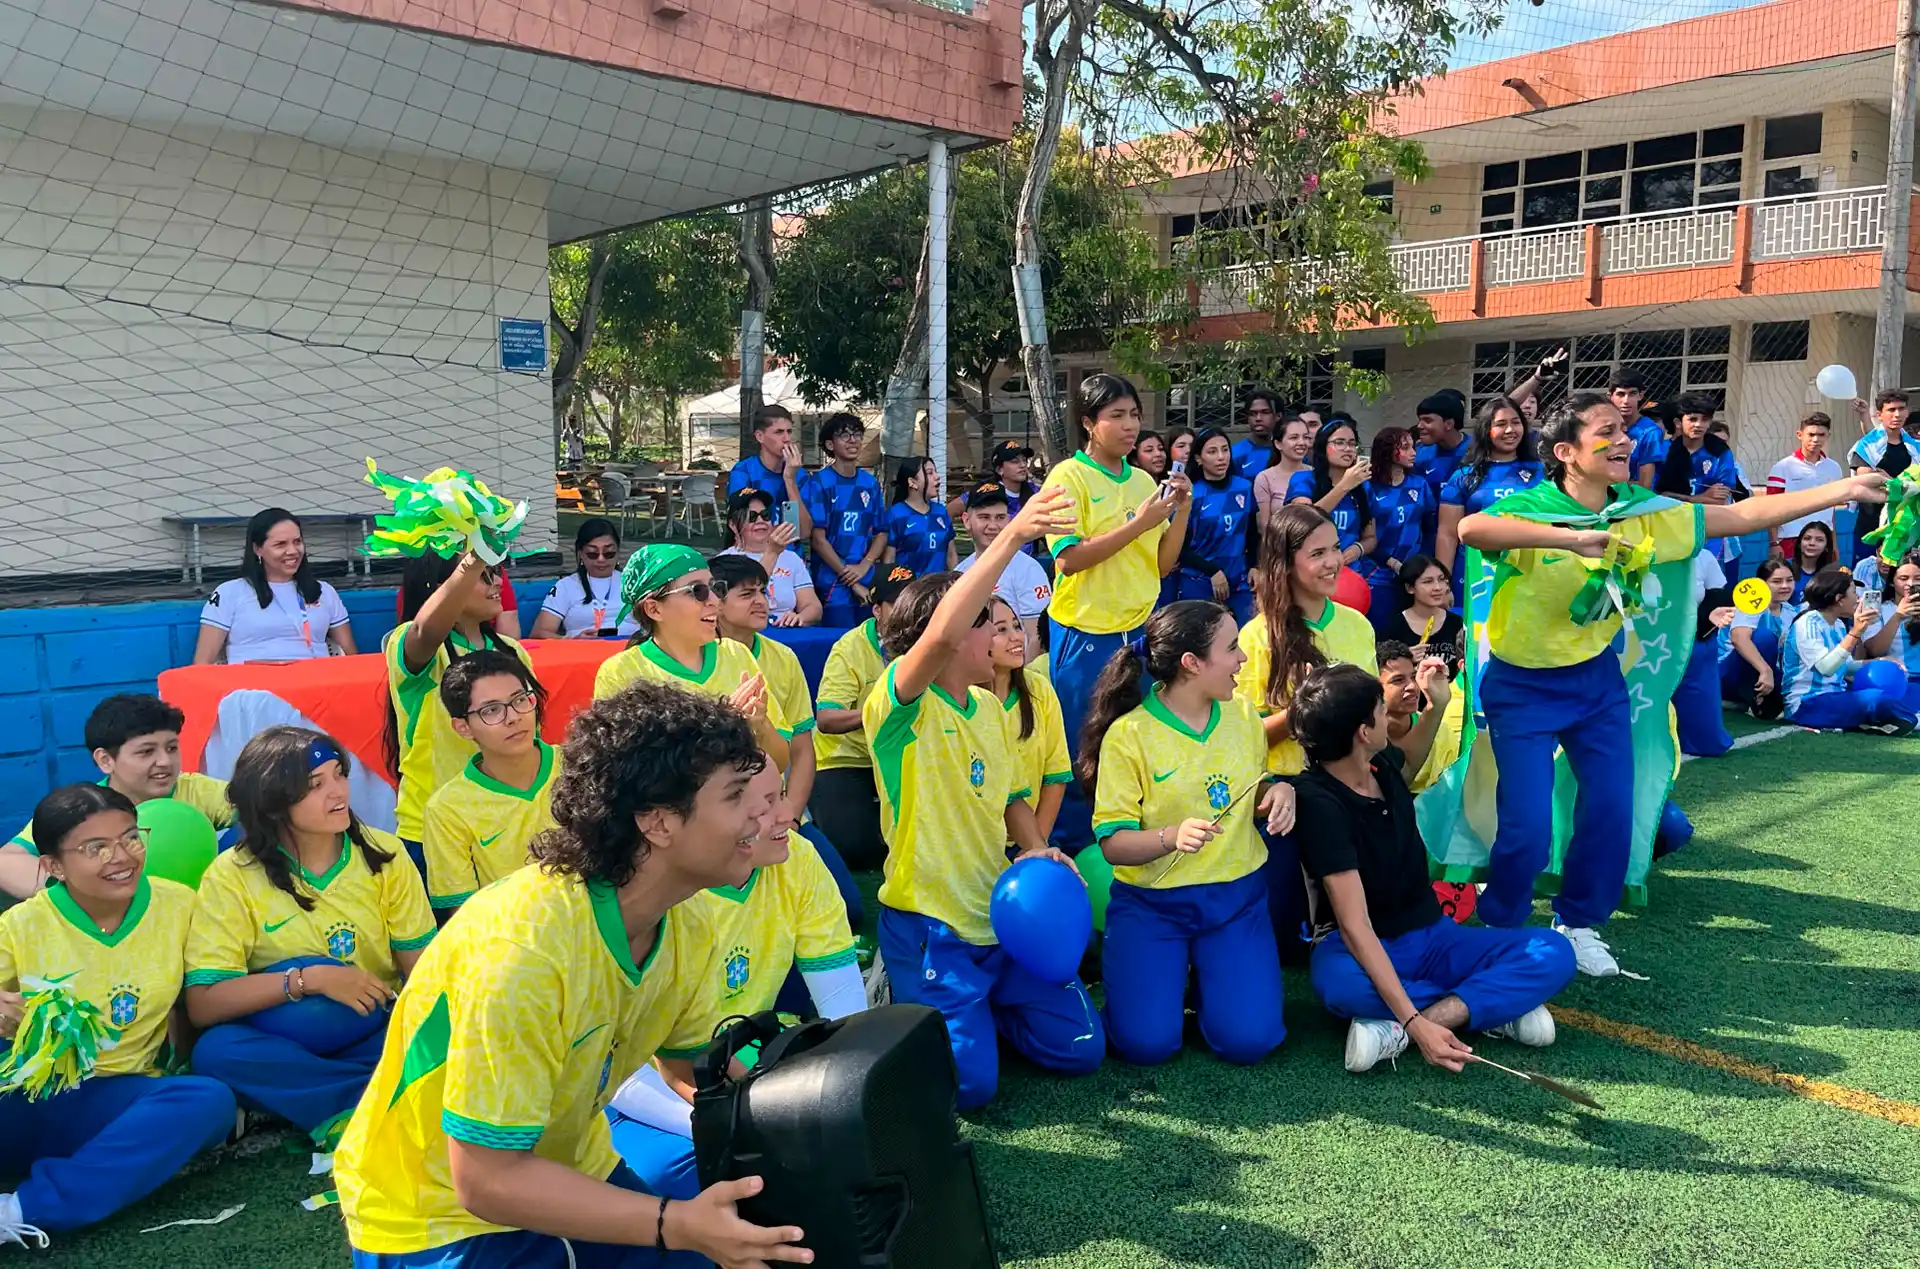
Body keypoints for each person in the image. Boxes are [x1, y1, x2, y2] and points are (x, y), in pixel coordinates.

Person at [334, 685, 811, 1268]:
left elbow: (695, 1064)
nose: (769, 814)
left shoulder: (691, 919)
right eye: (739, 796)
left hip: (570, 1163)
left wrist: (811, 1108)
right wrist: (675, 1222)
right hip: (435, 1218)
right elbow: (484, 1179)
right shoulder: (524, 949)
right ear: (658, 822)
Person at [1456, 393, 1882, 976]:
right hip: (1521, 686)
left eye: (1624, 430)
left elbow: (1740, 516)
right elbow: (1473, 529)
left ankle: (1578, 922)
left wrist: (1842, 490)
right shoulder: (1530, 505)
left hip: (1596, 682)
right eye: (1607, 432)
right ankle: (1502, 923)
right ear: (1566, 452)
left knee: (1611, 808)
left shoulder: (1640, 507)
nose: (1626, 441)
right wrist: (1573, 538)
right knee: (1526, 825)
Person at [866, 487, 1106, 1109]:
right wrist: (1014, 535)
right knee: (970, 1090)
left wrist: (1037, 851)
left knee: (1081, 1049)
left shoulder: (992, 710)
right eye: (990, 625)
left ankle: (973, 1015)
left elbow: (1011, 799)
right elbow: (943, 633)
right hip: (932, 924)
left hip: (998, 919)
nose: (1008, 635)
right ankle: (913, 996)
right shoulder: (898, 708)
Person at [1289, 664, 1576, 1074]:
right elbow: (1356, 927)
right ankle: (1492, 1005)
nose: (1388, 716)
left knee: (1555, 952)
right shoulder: (1319, 803)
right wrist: (1413, 1020)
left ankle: (1405, 1029)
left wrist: (1436, 704)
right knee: (1339, 988)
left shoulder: (1379, 763)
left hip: (1433, 936)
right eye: (1379, 711)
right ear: (1362, 732)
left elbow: (1412, 757)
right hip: (1356, 947)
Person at [606, 756, 862, 1204]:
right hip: (632, 1084)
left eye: (781, 795)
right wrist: (731, 1122)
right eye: (764, 805)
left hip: (733, 1057)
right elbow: (626, 1067)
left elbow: (847, 1015)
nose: (788, 814)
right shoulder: (645, 900)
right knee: (687, 1175)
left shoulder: (797, 859)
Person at [0, 785, 236, 1246]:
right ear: (53, 866)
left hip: (118, 1099)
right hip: (28, 1099)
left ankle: (21, 1211)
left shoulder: (180, 905)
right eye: (95, 848)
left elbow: (223, 979)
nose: (121, 857)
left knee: (206, 1101)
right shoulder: (21, 926)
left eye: (131, 837)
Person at [186, 727, 435, 1147]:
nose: (338, 792)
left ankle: (328, 1096)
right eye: (315, 785)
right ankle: (358, 1104)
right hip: (281, 1040)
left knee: (431, 1038)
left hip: (375, 1030)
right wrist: (309, 980)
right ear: (273, 801)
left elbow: (424, 973)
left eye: (339, 774)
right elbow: (204, 1004)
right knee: (218, 1053)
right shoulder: (231, 875)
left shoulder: (384, 855)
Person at [1082, 601, 1291, 1068]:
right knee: (1144, 1047)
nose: (1243, 659)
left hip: (1236, 901)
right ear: (1192, 663)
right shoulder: (1128, 735)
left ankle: (1209, 982)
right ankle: (1179, 980)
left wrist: (1278, 793)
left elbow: (1252, 792)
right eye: (1232, 648)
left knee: (1250, 1042)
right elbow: (1113, 844)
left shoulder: (1242, 717)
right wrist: (1170, 836)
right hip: (1153, 907)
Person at [1039, 373, 1191, 850]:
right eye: (1116, 416)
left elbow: (1161, 564)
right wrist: (1142, 522)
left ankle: (1129, 836)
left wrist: (1180, 511)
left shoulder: (1144, 480)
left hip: (1140, 633)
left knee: (1134, 736)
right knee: (1079, 742)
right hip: (1086, 634)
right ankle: (1069, 847)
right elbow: (1068, 558)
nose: (1131, 426)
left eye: (1135, 414)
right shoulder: (1069, 477)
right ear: (1089, 424)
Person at [1237, 504, 1379, 956]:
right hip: (1283, 789)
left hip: (1353, 783)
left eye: (1335, 548)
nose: (1334, 562)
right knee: (1289, 941)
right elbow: (1243, 740)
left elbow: (1375, 726)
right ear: (1285, 563)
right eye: (1317, 553)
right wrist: (1303, 707)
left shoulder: (1357, 625)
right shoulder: (1256, 637)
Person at [1, 694, 234, 902]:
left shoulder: (196, 790)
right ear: (105, 760)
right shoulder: (80, 808)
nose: (165, 761)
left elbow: (263, 807)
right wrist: (78, 890)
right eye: (146, 751)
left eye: (172, 748)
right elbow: (7, 860)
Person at [385, 553, 531, 871]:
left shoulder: (512, 650)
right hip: (432, 830)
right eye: (482, 574)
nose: (497, 583)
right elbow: (426, 631)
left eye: (495, 572)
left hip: (506, 820)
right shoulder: (416, 644)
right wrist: (472, 559)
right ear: (444, 588)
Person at [592, 544, 790, 770]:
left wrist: (759, 726)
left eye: (715, 588)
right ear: (654, 609)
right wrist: (725, 728)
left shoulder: (737, 655)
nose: (714, 601)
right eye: (697, 591)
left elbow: (780, 762)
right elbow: (627, 772)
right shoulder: (620, 672)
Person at [420, 651, 559, 915]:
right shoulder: (448, 810)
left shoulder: (581, 765)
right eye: (492, 710)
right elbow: (463, 918)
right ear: (463, 728)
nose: (513, 717)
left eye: (520, 700)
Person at [807, 567, 913, 872]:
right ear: (877, 610)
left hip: (906, 756)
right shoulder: (850, 647)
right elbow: (827, 719)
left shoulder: (928, 642)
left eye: (913, 601)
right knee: (854, 851)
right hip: (847, 758)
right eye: (898, 604)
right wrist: (881, 711)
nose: (908, 611)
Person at [709, 554, 818, 812]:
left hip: (776, 803)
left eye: (762, 592)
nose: (760, 602)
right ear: (717, 603)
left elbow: (802, 751)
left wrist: (791, 815)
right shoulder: (696, 656)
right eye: (747, 594)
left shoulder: (784, 657)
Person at [193, 507, 356, 664]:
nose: (293, 551)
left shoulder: (324, 592)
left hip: (317, 683)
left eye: (297, 542)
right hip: (254, 687)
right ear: (258, 549)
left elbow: (351, 658)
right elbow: (202, 663)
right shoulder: (229, 592)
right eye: (280, 544)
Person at [1780, 565, 1917, 733]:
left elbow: (1846, 666)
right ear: (1839, 599)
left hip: (1835, 695)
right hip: (1807, 703)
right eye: (1854, 593)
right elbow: (1826, 668)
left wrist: (1878, 661)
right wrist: (1856, 632)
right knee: (1876, 699)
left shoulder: (1837, 624)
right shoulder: (1807, 623)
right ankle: (1904, 721)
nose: (1859, 599)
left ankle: (1882, 722)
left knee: (1878, 695)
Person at [1435, 397, 1545, 596]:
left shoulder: (1541, 473)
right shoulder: (1464, 476)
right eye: (1501, 424)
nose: (1511, 430)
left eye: (1516, 422)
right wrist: (1443, 583)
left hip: (1531, 571)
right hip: (1477, 574)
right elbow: (1447, 534)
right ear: (1486, 429)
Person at [988, 598, 1072, 845]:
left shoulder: (1039, 689)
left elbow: (1055, 776)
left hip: (1028, 839)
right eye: (1001, 630)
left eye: (1016, 626)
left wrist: (1035, 845)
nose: (1016, 637)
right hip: (974, 845)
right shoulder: (963, 698)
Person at [806, 412, 887, 625]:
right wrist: (849, 577)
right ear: (830, 445)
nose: (853, 440)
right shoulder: (819, 483)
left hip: (866, 575)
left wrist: (864, 566)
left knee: (871, 644)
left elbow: (882, 532)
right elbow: (817, 540)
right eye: (845, 435)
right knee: (839, 644)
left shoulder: (870, 484)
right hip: (833, 581)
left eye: (857, 434)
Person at [956, 484, 1051, 660]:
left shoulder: (1028, 569)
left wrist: (1020, 681)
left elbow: (1035, 637)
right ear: (966, 520)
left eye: (999, 517)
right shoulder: (959, 573)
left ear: (1009, 520)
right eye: (984, 517)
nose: (993, 526)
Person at [1658, 393, 1750, 568]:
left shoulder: (1721, 452)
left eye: (1705, 419)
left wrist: (1675, 496)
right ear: (1678, 422)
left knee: (1709, 587)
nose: (1699, 425)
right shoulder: (1663, 452)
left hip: (1708, 529)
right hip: (1669, 527)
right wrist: (1699, 498)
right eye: (1692, 419)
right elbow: (1656, 496)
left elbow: (1719, 499)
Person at [1175, 427, 1257, 623]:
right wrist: (1212, 571)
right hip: (1199, 580)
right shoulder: (1190, 494)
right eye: (1212, 452)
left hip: (1239, 580)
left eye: (1225, 449)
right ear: (1198, 458)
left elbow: (1253, 532)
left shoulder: (1244, 487)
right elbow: (1179, 547)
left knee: (1246, 639)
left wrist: (1256, 566)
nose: (1221, 457)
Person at [713, 489, 819, 628]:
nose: (760, 521)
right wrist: (772, 552)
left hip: (786, 631)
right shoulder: (724, 561)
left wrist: (800, 617)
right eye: (751, 517)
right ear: (733, 525)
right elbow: (750, 590)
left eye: (765, 515)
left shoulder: (791, 558)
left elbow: (813, 606)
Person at [1286, 417, 1377, 575]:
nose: (1347, 448)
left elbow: (1370, 537)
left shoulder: (1363, 486)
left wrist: (1358, 549)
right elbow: (1303, 519)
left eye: (1351, 443)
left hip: (1351, 572)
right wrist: (1344, 485)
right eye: (1339, 442)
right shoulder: (1303, 479)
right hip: (1311, 572)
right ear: (1322, 446)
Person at [1361, 426, 1432, 622]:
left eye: (1413, 447)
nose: (1414, 453)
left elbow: (1430, 527)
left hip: (1413, 574)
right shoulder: (1367, 487)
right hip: (1377, 574)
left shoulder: (1420, 484)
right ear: (1387, 451)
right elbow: (1363, 534)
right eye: (1406, 447)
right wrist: (1390, 562)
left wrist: (1423, 564)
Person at [1674, 549, 1736, 758]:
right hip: (1642, 642)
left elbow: (1718, 596)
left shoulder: (1703, 556)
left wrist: (1705, 619)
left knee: (1708, 742)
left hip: (1693, 639)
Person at [530, 518, 634, 640]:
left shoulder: (634, 583)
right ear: (581, 555)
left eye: (609, 553)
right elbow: (539, 633)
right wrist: (573, 641)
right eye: (592, 554)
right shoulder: (566, 586)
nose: (601, 559)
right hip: (581, 652)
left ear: (618, 553)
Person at [1373, 640, 1456, 791]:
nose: (1412, 686)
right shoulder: (1364, 739)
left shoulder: (1441, 734)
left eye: (1413, 677)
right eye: (1398, 680)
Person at [1720, 556, 1797, 717]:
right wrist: (1766, 670)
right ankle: (1753, 699)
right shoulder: (1751, 602)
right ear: (1762, 584)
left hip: (1761, 674)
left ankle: (1747, 701)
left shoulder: (1791, 612)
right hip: (1725, 673)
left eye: (1789, 580)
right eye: (1776, 581)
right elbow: (1738, 638)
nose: (1785, 586)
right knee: (1764, 638)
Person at [726, 402, 814, 536]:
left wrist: (789, 480)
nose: (787, 439)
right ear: (759, 436)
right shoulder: (744, 472)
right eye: (779, 432)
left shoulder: (799, 474)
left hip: (790, 553)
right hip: (756, 553)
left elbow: (804, 532)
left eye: (789, 432)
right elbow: (742, 527)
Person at [1848, 391, 1917, 563]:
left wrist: (1886, 477)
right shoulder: (1867, 446)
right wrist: (1900, 483)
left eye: (1901, 409)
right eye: (1891, 409)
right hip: (1870, 528)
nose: (1897, 414)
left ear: (1907, 412)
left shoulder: (1915, 447)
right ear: (1879, 414)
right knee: (1866, 579)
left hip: (1906, 529)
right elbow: (1865, 476)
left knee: (1906, 581)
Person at [1765, 412, 1844, 555]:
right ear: (1799, 434)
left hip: (1823, 541)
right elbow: (1771, 508)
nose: (1815, 439)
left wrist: (1834, 544)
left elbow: (1831, 510)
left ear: (1828, 436)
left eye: (1821, 435)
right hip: (1790, 539)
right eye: (1811, 434)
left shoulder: (1834, 468)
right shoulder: (1782, 467)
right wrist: (1773, 543)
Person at [1375, 555, 1463, 669]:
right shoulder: (1393, 627)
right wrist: (1404, 659)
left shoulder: (1456, 622)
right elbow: (1381, 670)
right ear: (1410, 588)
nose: (1437, 587)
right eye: (1428, 582)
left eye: (1441, 579)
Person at [1857, 551, 1920, 710]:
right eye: (1903, 578)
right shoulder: (1880, 610)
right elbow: (1875, 650)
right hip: (1898, 680)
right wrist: (1898, 616)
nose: (1911, 584)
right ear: (1892, 581)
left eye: (1918, 578)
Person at [882, 456, 957, 578]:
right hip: (909, 590)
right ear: (912, 482)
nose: (937, 476)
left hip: (938, 589)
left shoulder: (941, 512)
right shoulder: (895, 515)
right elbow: (889, 560)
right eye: (929, 473)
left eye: (936, 471)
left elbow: (951, 554)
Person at [1411, 391, 1469, 547]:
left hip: (1470, 539)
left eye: (1427, 420)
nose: (1420, 426)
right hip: (1432, 538)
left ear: (1448, 424)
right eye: (1419, 420)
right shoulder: (1420, 454)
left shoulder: (1477, 451)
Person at [1253, 412, 1315, 535]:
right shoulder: (1265, 478)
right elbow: (1264, 526)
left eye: (1305, 437)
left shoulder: (1315, 473)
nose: (1301, 443)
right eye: (1294, 438)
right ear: (1278, 443)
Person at [1612, 371, 1667, 488]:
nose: (1626, 401)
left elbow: (1645, 485)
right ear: (1610, 397)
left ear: (1640, 396)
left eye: (1632, 394)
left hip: (1637, 500)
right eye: (1620, 394)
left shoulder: (1650, 432)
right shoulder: (1605, 428)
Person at [1231, 388, 1283, 480]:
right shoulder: (1235, 454)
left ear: (1278, 416)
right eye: (1253, 413)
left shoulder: (1289, 451)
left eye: (1265, 412)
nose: (1258, 418)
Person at [1788, 521, 1838, 604]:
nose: (1812, 543)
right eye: (1807, 538)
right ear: (1799, 543)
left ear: (1826, 547)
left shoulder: (1834, 573)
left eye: (1819, 540)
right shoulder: (1784, 568)